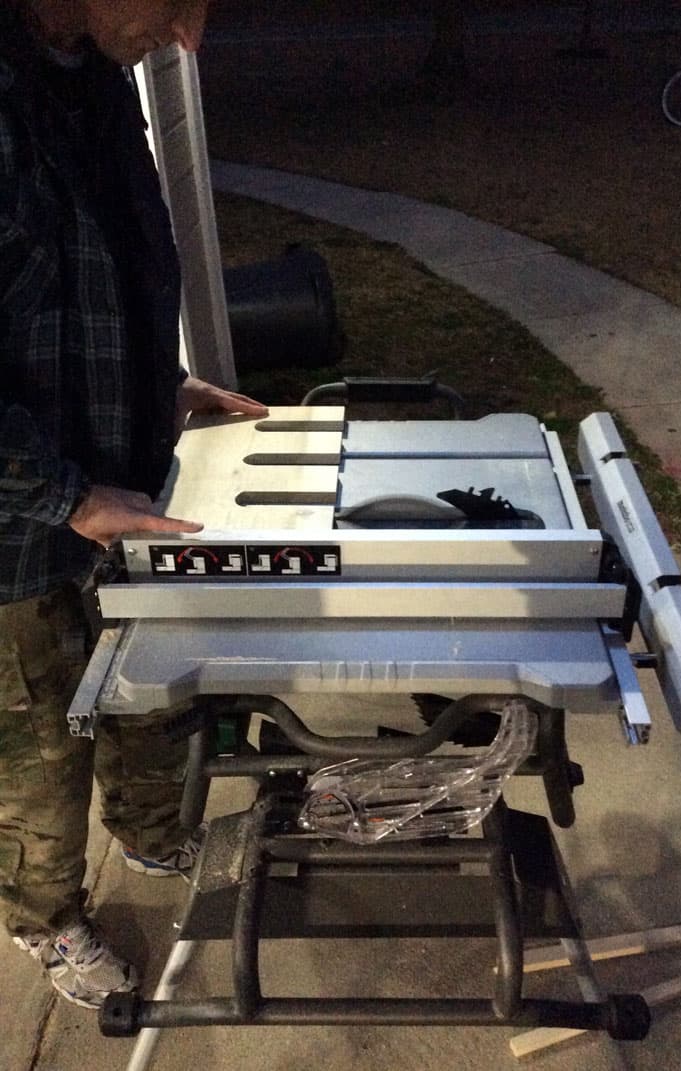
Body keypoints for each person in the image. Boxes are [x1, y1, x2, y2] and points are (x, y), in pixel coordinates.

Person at [0, 0, 270, 1008]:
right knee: (39, 743)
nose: (190, 39)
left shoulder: (89, 74)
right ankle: (47, 917)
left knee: (150, 682)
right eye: (176, 2)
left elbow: (99, 277)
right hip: (15, 530)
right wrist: (63, 496)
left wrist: (159, 386)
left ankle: (158, 838)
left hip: (118, 477)